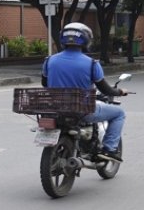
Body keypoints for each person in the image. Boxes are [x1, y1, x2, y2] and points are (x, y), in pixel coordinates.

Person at [41, 22, 128, 162]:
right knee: (119, 113)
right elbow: (104, 89)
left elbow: (45, 83)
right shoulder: (91, 63)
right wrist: (119, 91)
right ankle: (109, 149)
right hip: (82, 110)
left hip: (55, 110)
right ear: (86, 40)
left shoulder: (50, 60)